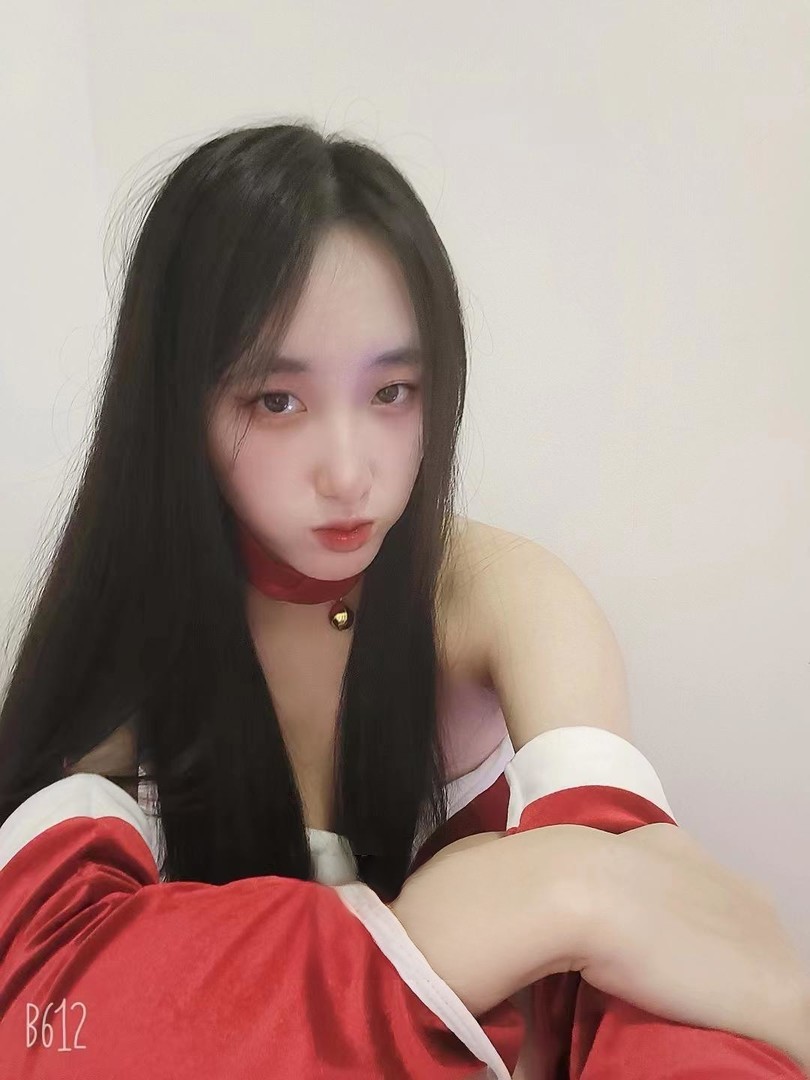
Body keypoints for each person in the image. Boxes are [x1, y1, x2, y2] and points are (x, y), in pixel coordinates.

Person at [0, 121, 806, 1079]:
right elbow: (53, 1028)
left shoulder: (501, 600)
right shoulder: (130, 652)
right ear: (176, 406)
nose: (351, 474)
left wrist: (592, 897)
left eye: (392, 392)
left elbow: (653, 970)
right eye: (276, 400)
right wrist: (544, 903)